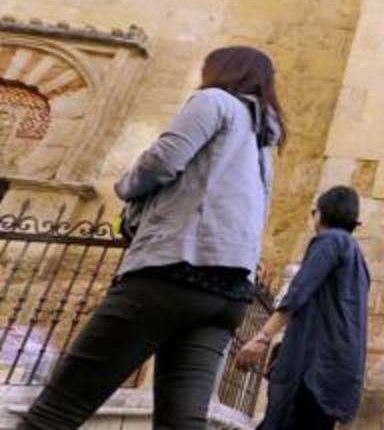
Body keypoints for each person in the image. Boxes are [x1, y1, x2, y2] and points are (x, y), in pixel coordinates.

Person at [19, 46, 284, 430]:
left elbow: (162, 160)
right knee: (182, 424)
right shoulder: (264, 143)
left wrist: (125, 187)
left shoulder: (213, 101)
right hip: (228, 295)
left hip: (172, 273)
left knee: (58, 408)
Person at [236, 185, 370, 429]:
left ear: (322, 213)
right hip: (337, 373)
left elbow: (298, 292)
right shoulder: (357, 259)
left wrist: (262, 337)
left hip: (314, 372)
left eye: (314, 212)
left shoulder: (329, 241)